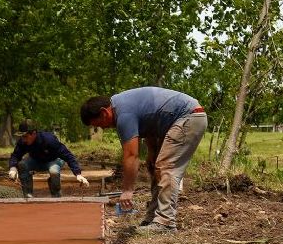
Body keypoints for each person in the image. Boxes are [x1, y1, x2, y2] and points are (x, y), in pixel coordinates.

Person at [80, 87, 207, 233]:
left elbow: (131, 156)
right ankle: (153, 217)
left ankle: (165, 223)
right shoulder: (121, 105)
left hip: (188, 117)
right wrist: (152, 152)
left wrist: (127, 190)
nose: (103, 128)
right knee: (155, 166)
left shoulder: (123, 114)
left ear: (104, 112)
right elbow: (151, 122)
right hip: (178, 119)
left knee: (166, 167)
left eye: (99, 124)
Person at [8, 120, 89, 198]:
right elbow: (15, 155)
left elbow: (68, 155)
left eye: (25, 136)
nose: (23, 139)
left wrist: (78, 174)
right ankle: (28, 195)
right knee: (22, 164)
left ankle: (56, 195)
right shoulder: (23, 142)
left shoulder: (49, 140)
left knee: (54, 172)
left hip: (54, 160)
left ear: (34, 133)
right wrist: (13, 168)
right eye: (21, 137)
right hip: (35, 160)